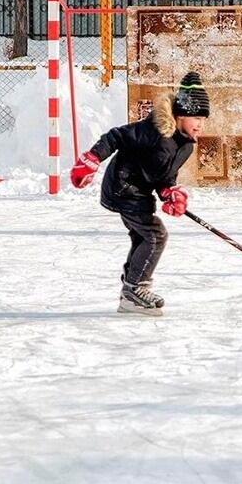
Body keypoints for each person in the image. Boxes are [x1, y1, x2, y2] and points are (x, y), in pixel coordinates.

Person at [69, 71, 210, 316]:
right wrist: (92, 158)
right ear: (180, 115)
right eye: (195, 117)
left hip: (141, 192)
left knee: (143, 237)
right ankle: (135, 289)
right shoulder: (152, 130)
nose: (200, 124)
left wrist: (170, 193)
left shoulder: (185, 146)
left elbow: (164, 175)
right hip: (123, 188)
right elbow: (116, 136)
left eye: (203, 119)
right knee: (155, 235)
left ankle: (131, 290)